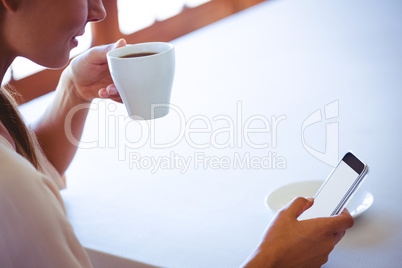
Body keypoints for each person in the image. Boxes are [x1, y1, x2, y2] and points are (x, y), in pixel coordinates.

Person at [0, 0, 354, 267]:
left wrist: (73, 91)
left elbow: (32, 174)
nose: (99, 11)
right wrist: (272, 261)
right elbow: (22, 186)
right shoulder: (9, 182)